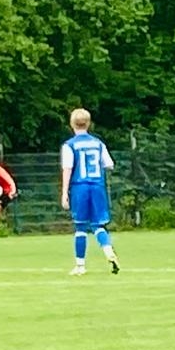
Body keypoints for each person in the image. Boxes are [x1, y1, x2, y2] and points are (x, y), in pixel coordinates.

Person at [61, 108, 121, 275]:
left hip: (80, 187)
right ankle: (108, 251)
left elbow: (67, 168)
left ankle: (80, 265)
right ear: (88, 124)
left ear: (72, 124)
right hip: (97, 186)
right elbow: (109, 164)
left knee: (80, 226)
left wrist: (64, 192)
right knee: (98, 225)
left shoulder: (69, 145)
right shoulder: (98, 143)